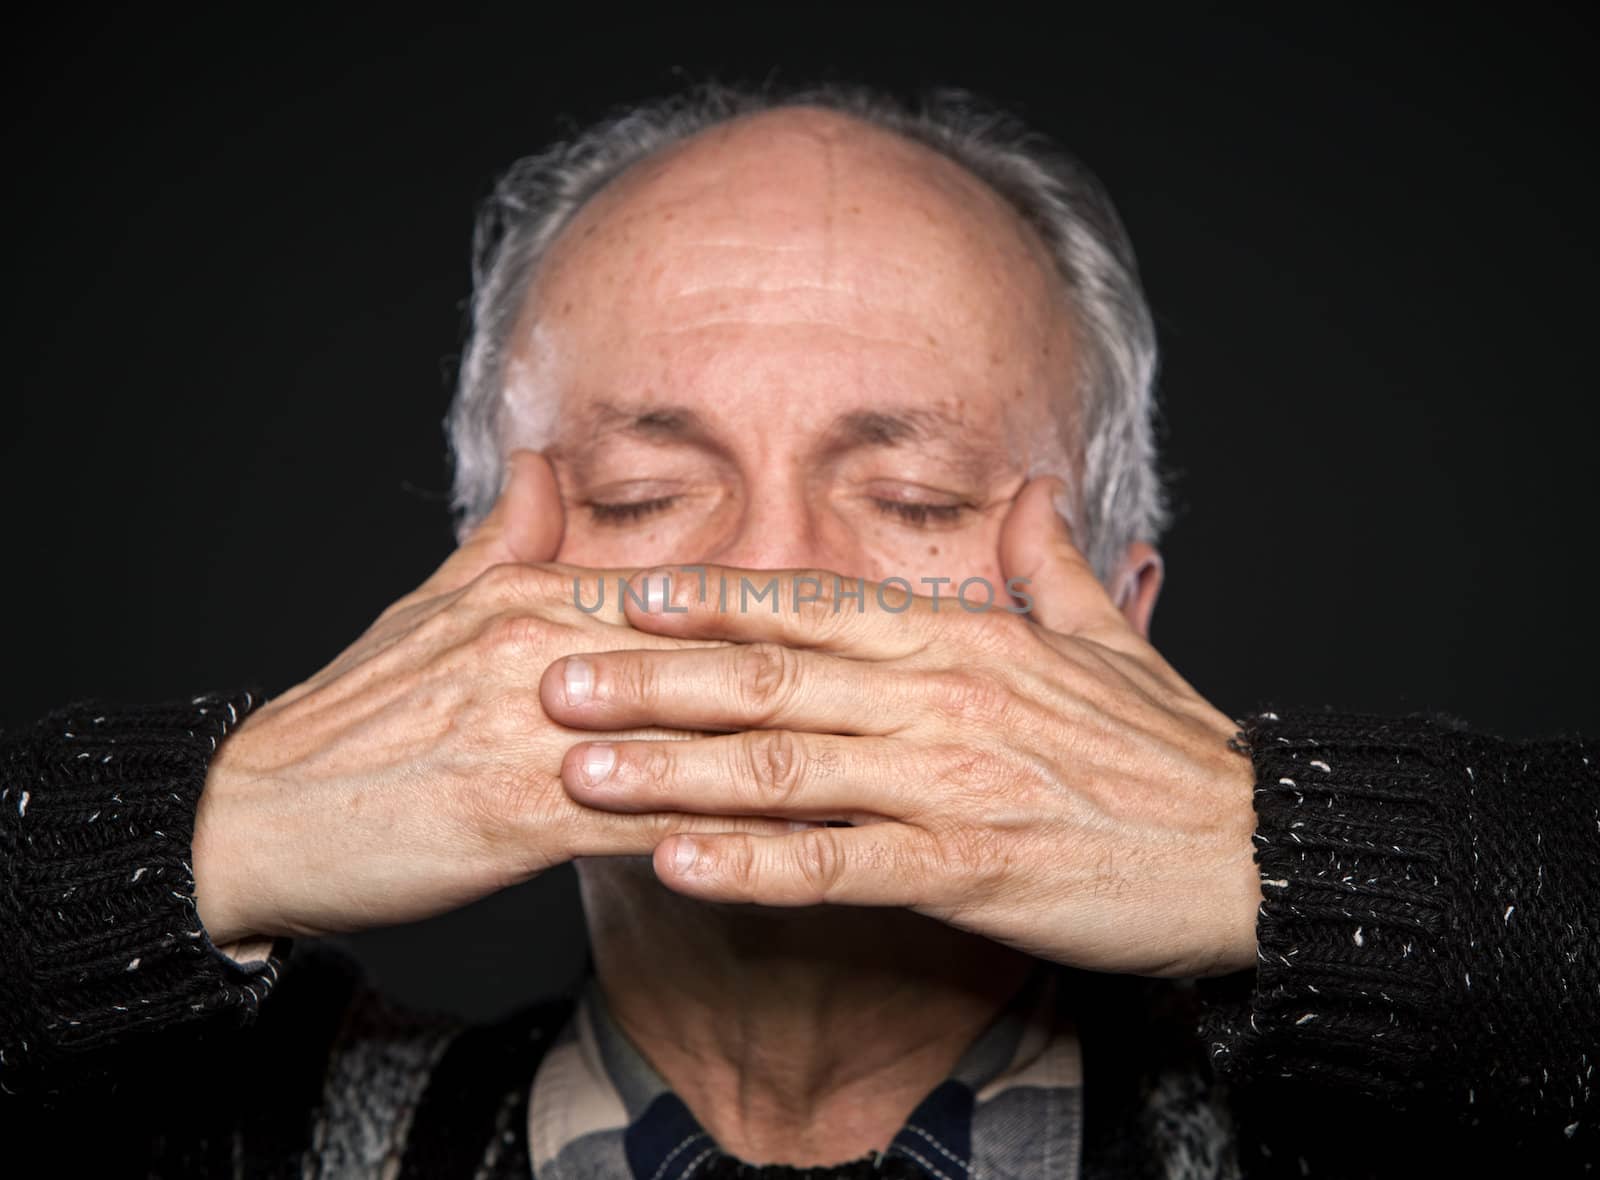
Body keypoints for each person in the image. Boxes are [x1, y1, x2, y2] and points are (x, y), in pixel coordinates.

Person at [1, 82, 1594, 1178]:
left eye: (908, 497)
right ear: (458, 621)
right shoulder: (240, 1133)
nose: (775, 577)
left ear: (1124, 630)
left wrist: (1303, 861)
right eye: (639, 495)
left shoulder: (1405, 1135)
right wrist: (194, 838)